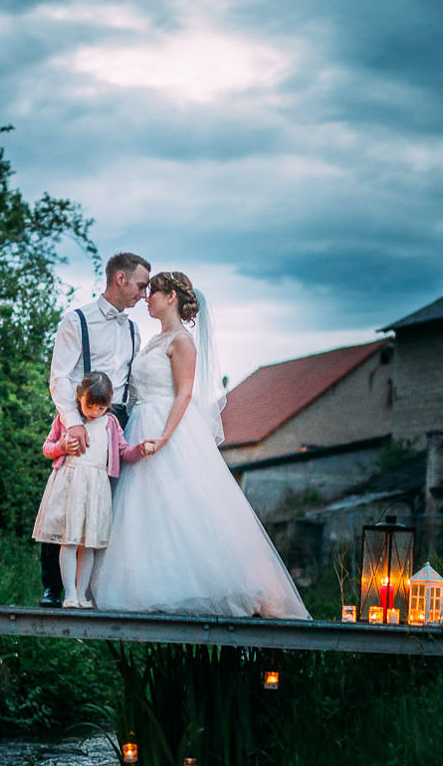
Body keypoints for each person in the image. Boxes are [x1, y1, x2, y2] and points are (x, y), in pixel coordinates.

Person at [91, 271, 311, 620]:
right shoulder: (153, 340)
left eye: (154, 293)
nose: (147, 298)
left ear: (172, 298)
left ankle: (206, 585)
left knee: (179, 503)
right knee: (145, 506)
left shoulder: (182, 341)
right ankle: (150, 582)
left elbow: (185, 392)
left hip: (168, 424)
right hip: (141, 423)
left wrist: (165, 436)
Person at [40, 250, 151, 605]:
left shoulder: (133, 328)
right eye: (140, 285)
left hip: (117, 419)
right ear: (121, 278)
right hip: (82, 414)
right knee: (67, 500)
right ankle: (53, 587)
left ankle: (90, 588)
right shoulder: (78, 320)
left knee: (102, 505)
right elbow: (59, 377)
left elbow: (130, 381)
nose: (143, 294)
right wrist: (73, 424)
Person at [32, 372, 146, 609]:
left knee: (90, 543)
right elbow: (47, 447)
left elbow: (124, 451)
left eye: (101, 407)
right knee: (69, 540)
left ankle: (82, 594)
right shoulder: (66, 419)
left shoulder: (111, 423)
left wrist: (140, 450)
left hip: (96, 487)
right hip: (70, 485)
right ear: (79, 397)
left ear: (109, 404)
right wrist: (61, 446)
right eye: (90, 405)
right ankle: (69, 594)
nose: (95, 411)